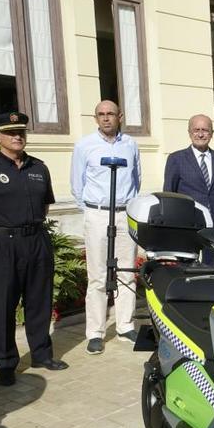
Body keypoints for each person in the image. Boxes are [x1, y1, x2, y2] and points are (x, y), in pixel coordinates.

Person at [0, 112, 69, 386]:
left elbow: (45, 205)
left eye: (21, 131)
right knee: (5, 305)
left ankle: (41, 355)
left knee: (39, 301)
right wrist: (0, 231)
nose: (17, 136)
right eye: (10, 132)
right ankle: (6, 364)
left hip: (36, 241)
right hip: (3, 245)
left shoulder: (38, 168)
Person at [71, 100, 141, 355]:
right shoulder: (84, 146)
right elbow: (76, 184)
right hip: (98, 214)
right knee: (98, 275)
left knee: (126, 271)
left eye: (110, 114)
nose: (106, 118)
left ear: (119, 116)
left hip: (124, 214)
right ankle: (96, 332)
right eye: (101, 114)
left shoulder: (130, 145)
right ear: (95, 117)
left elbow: (136, 180)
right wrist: (92, 210)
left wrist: (128, 208)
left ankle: (125, 326)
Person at [164, 114, 214, 265]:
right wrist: (170, 231)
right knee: (186, 273)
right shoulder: (176, 159)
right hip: (187, 228)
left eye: (205, 130)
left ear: (212, 134)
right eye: (196, 130)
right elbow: (169, 197)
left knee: (211, 271)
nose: (200, 134)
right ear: (189, 132)